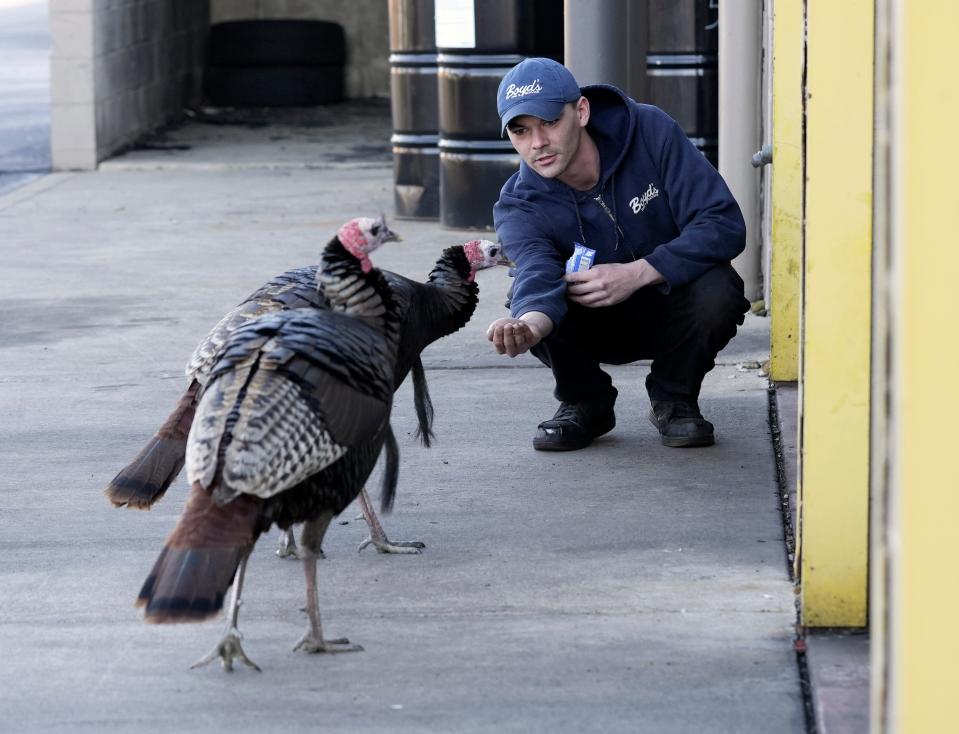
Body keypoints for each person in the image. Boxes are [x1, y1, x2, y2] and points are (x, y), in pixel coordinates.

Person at [486, 57, 750, 451]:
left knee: (719, 289)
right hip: (594, 321)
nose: (537, 143)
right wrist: (530, 327)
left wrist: (641, 272)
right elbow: (536, 271)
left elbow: (722, 222)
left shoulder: (649, 131)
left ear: (581, 111)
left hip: (671, 304)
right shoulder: (519, 203)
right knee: (524, 301)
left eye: (550, 123)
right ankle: (585, 401)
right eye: (521, 131)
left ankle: (674, 398)